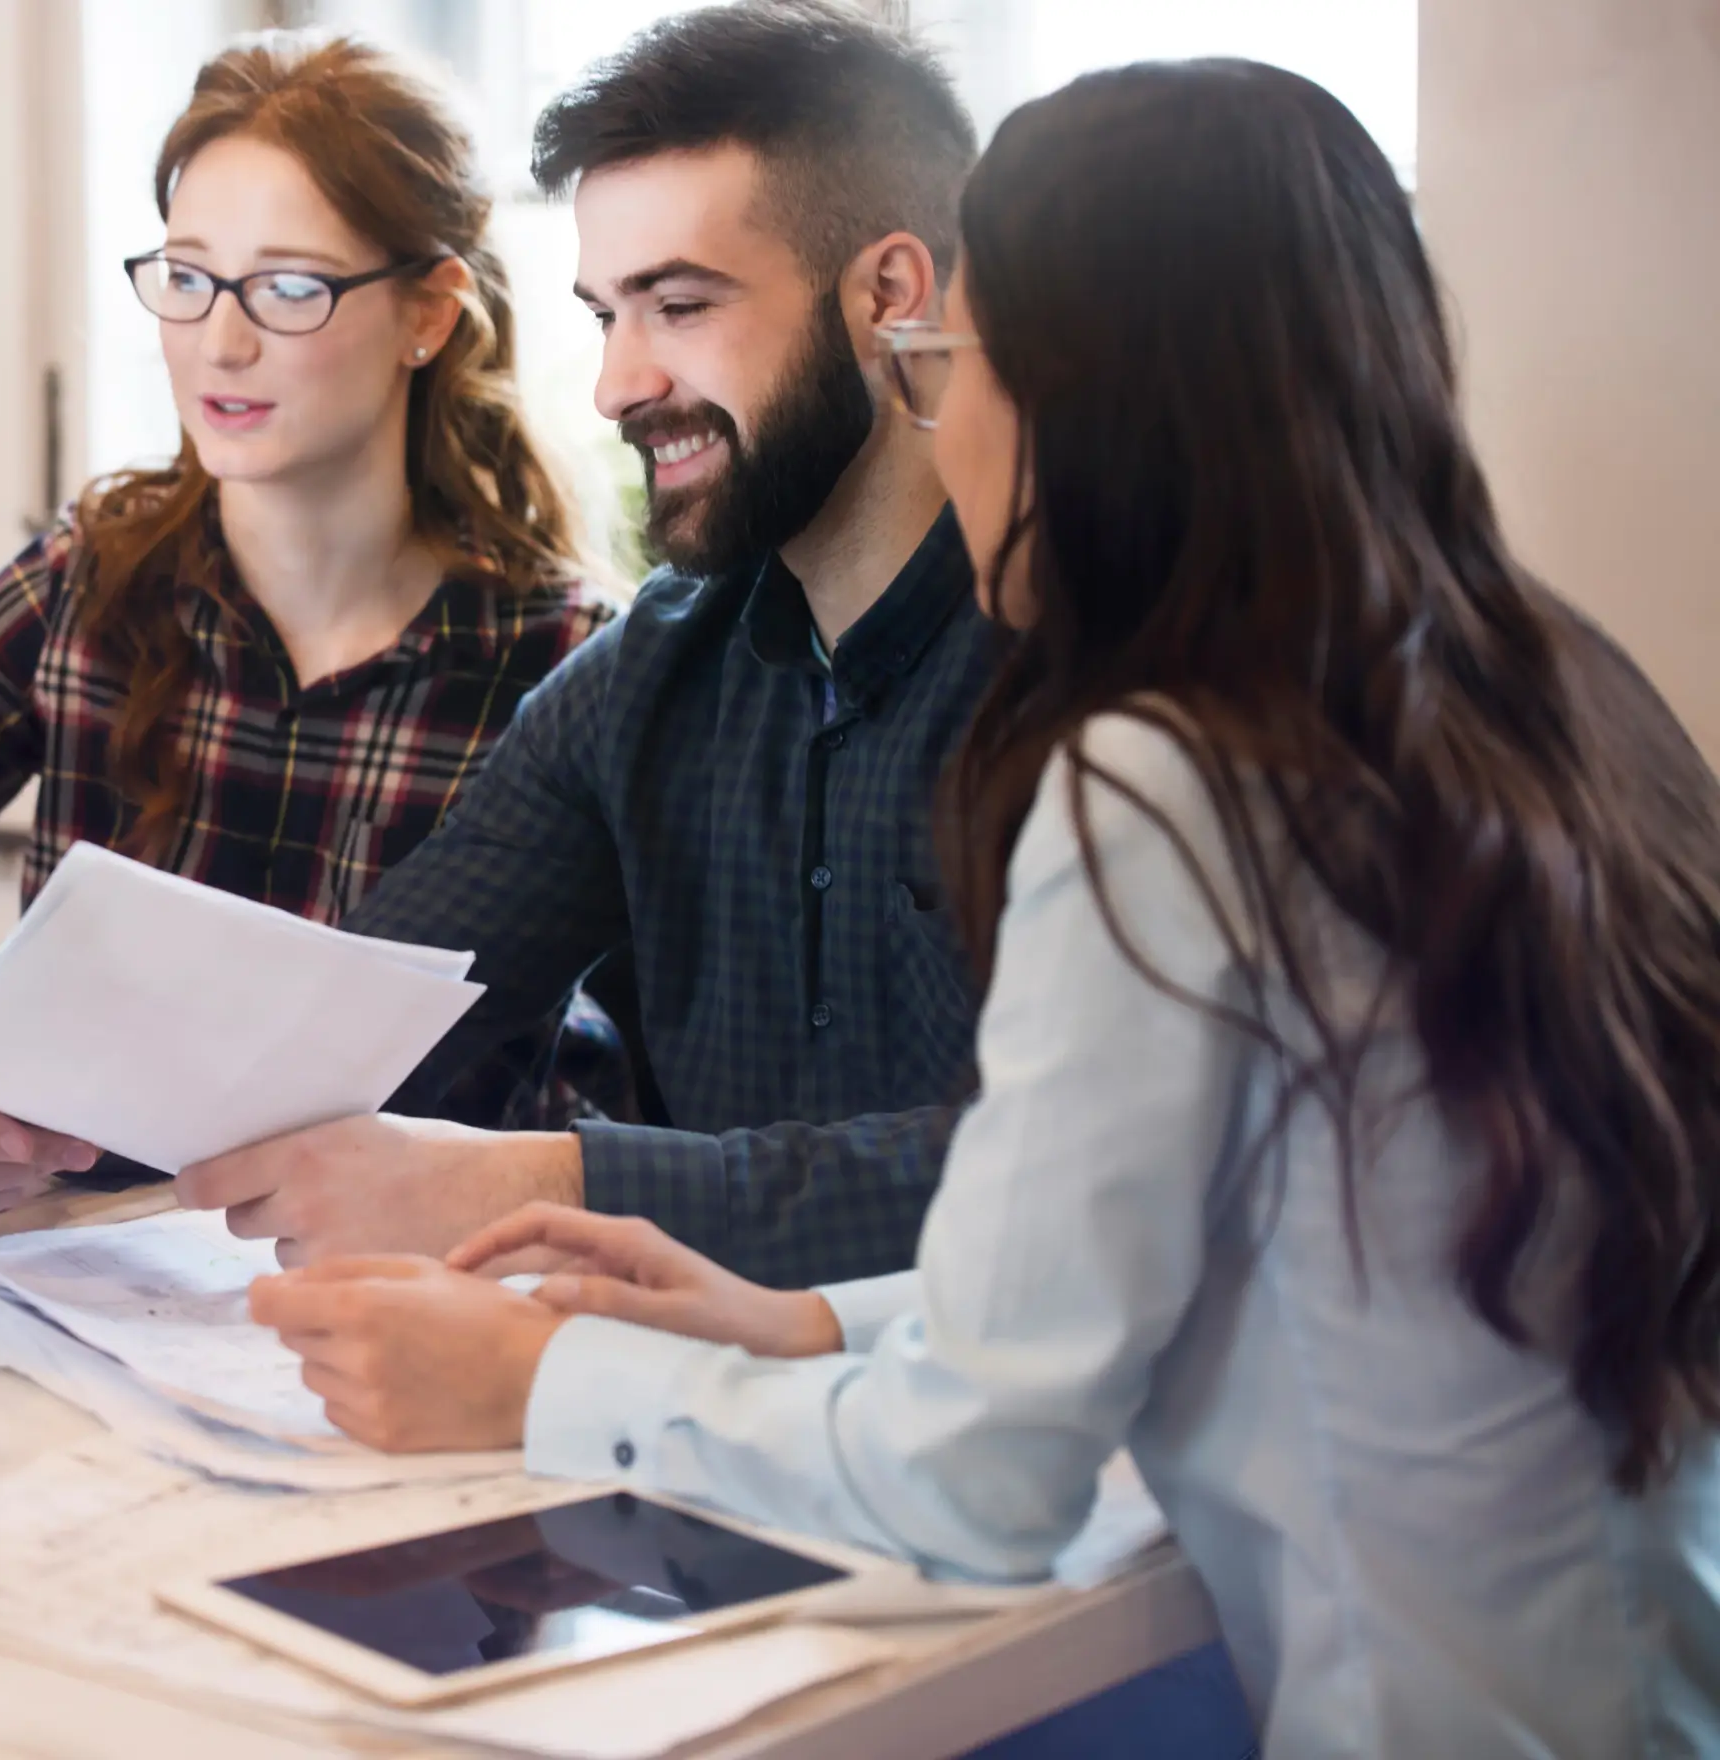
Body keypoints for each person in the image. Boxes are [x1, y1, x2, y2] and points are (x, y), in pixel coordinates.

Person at [248, 56, 1720, 1758]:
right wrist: (800, 1320)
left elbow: (982, 1479)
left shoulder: (1158, 784)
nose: (942, 429)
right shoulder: (1537, 691)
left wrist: (535, 1383)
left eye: (962, 370)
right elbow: (1208, 1235)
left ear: (1095, 401)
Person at [176, 0, 1001, 1283]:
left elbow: (1067, 1180)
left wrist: (551, 1179)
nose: (618, 384)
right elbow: (360, 1021)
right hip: (675, 1389)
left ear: (889, 296)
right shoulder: (642, 678)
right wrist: (53, 1116)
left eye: (677, 304)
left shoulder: (1098, 670)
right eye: (606, 314)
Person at [0, 34, 618, 1205]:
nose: (221, 341)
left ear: (427, 313)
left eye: (290, 288)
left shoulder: (567, 659)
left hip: (422, 1279)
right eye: (188, 277)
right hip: (73, 1263)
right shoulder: (86, 574)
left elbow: (658, 1075)